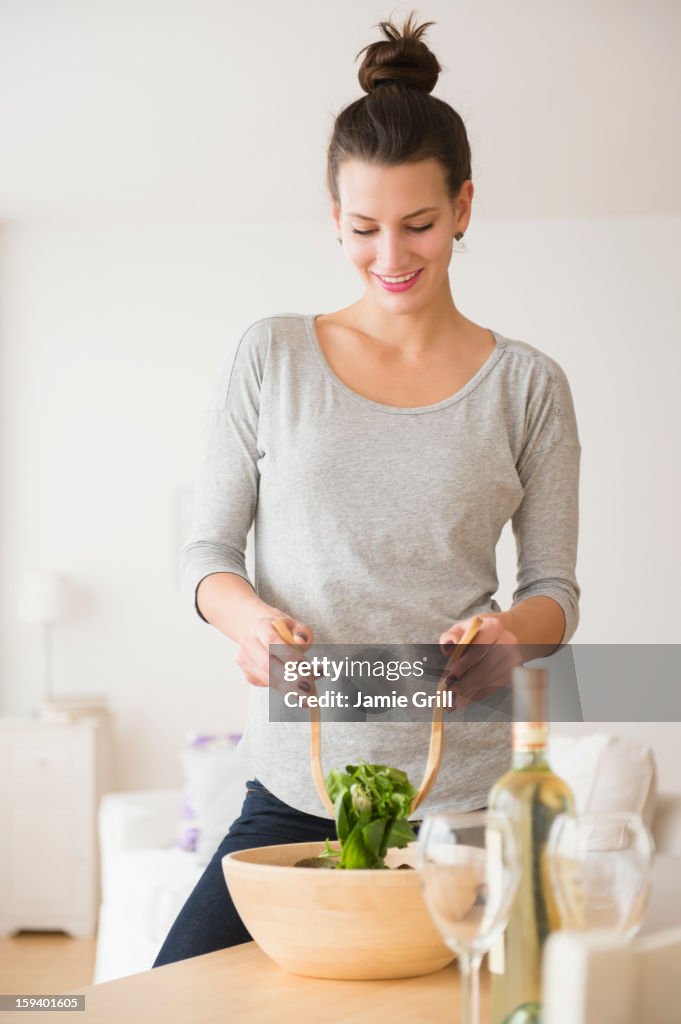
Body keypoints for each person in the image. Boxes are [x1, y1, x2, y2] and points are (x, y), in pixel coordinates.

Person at [152, 11, 580, 967]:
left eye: (420, 224)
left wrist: (512, 638)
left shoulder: (527, 386)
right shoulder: (270, 356)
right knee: (175, 987)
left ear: (463, 207)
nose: (392, 256)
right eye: (362, 228)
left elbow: (554, 587)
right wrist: (250, 623)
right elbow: (207, 555)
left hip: (464, 802)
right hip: (298, 787)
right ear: (332, 219)